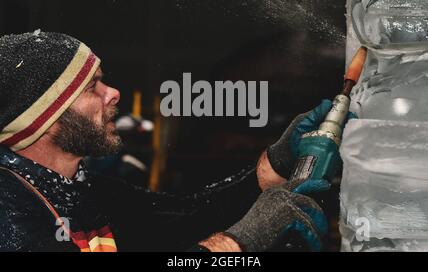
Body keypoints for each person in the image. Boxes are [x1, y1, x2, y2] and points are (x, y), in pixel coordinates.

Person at [0, 32, 351, 252]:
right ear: (43, 117)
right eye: (93, 87)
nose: (114, 94)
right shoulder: (10, 211)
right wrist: (240, 243)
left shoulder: (81, 189)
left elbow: (183, 220)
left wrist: (275, 163)